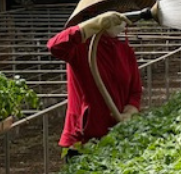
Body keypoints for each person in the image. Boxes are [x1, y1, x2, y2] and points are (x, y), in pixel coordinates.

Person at [47, 9, 142, 159]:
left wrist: (128, 113)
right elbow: (54, 46)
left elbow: (135, 92)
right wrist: (94, 24)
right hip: (82, 141)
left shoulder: (125, 51)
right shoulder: (80, 47)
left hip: (117, 137)